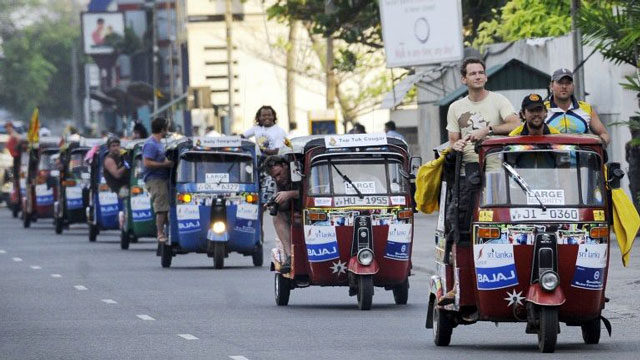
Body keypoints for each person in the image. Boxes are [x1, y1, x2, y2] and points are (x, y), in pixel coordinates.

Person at [438, 57, 519, 307]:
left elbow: (516, 124)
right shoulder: (455, 107)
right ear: (464, 79)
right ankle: (457, 286)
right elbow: (452, 140)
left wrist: (488, 131)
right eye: (472, 73)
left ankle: (510, 279)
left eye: (481, 73)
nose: (477, 77)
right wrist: (458, 144)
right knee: (459, 229)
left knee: (502, 228)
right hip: (465, 173)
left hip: (496, 172)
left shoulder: (499, 101)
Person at [545, 68, 610, 144]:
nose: (564, 86)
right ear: (551, 86)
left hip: (581, 155)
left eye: (568, 83)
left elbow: (604, 134)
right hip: (551, 155)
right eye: (560, 83)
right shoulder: (542, 109)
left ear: (573, 86)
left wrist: (601, 144)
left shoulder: (586, 108)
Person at [262, 155, 300, 273]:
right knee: (277, 216)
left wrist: (290, 194)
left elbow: (313, 190)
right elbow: (284, 206)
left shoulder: (300, 171)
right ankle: (290, 257)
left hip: (316, 210)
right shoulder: (280, 183)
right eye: (275, 177)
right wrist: (276, 202)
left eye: (279, 174)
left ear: (285, 166)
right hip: (295, 214)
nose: (278, 179)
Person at [142, 117, 173, 243]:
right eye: (167, 127)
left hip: (163, 178)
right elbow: (147, 163)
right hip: (155, 179)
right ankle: (160, 233)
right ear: (162, 129)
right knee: (161, 207)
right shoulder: (151, 144)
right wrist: (164, 165)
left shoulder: (159, 143)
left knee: (166, 206)